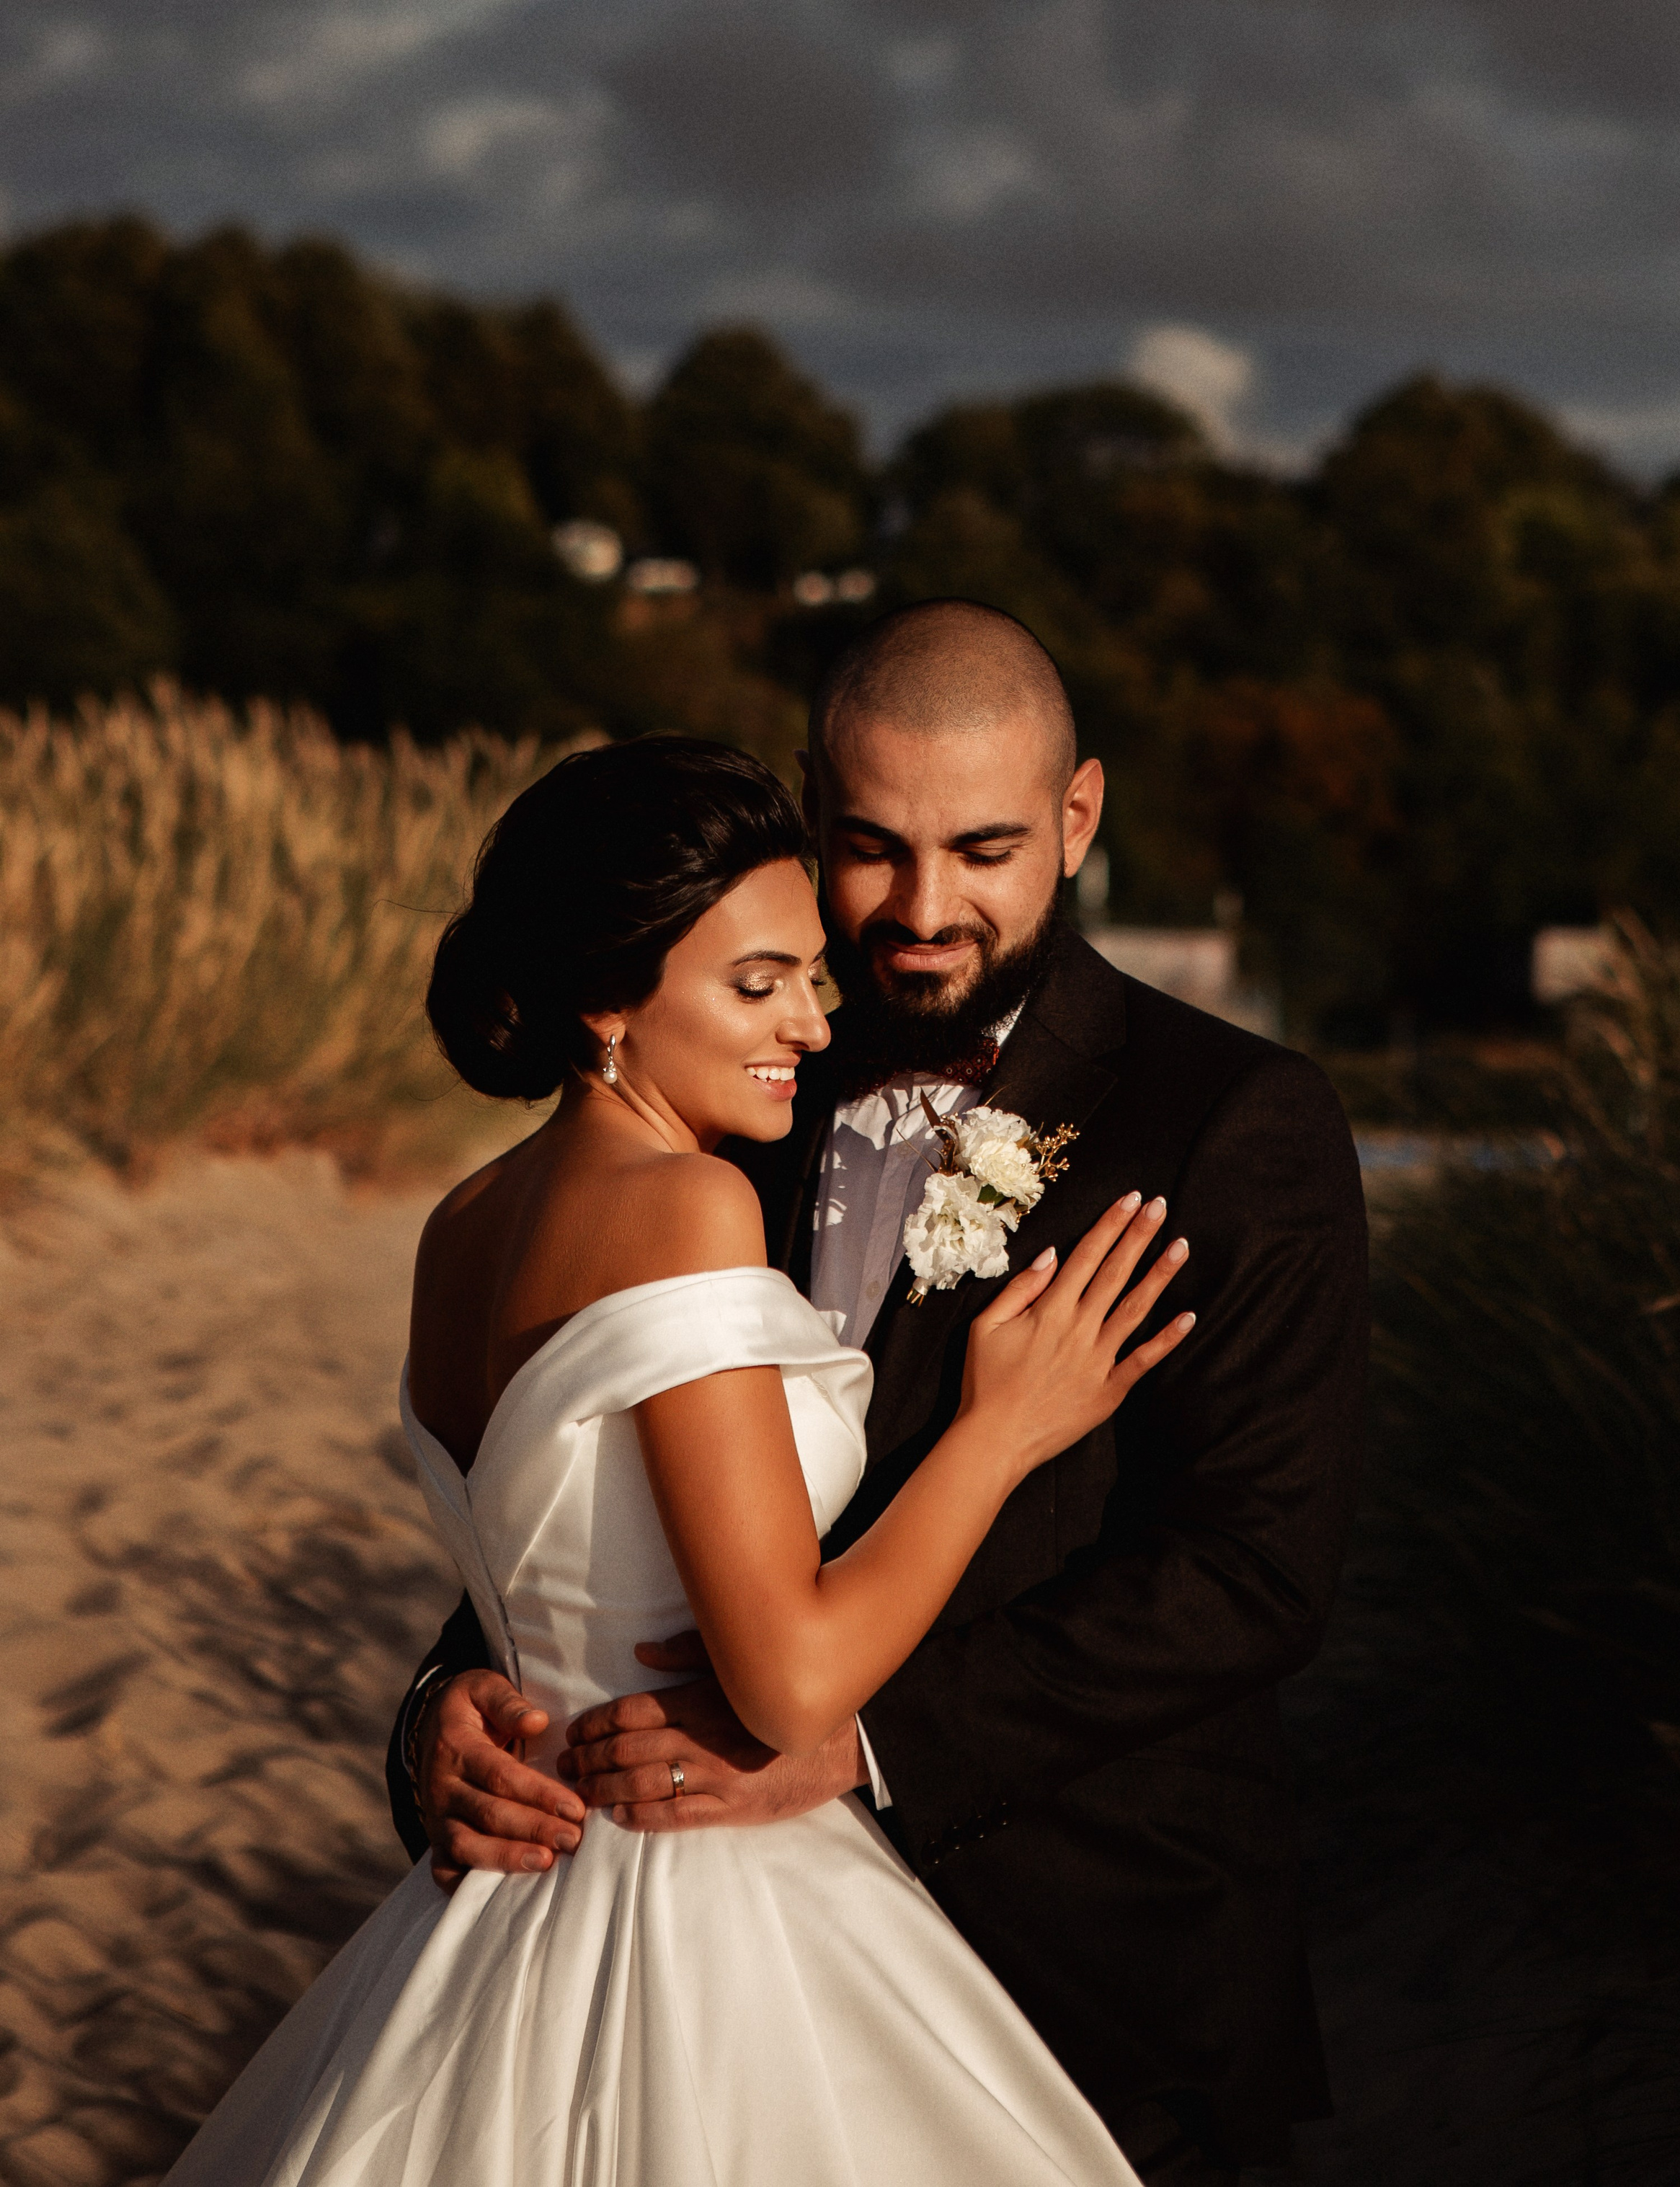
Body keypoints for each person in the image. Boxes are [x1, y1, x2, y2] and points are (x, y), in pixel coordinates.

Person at [394, 602, 1371, 2184]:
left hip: (1090, 1966)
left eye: (981, 848)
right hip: (685, 1985)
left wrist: (859, 1741)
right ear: (808, 805)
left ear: (1077, 817)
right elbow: (593, 1480)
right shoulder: (736, 1081)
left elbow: (1251, 1572)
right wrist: (441, 1715)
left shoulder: (1232, 1123)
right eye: (869, 846)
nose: (920, 908)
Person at [166, 732, 1194, 2186]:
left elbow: (547, 1557)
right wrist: (998, 1430)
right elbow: (785, 1677)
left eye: (806, 979)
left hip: (503, 1907)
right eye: (753, 983)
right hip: (704, 1897)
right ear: (607, 997)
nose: (812, 1027)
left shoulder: (459, 1228)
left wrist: (435, 1714)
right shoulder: (689, 1202)